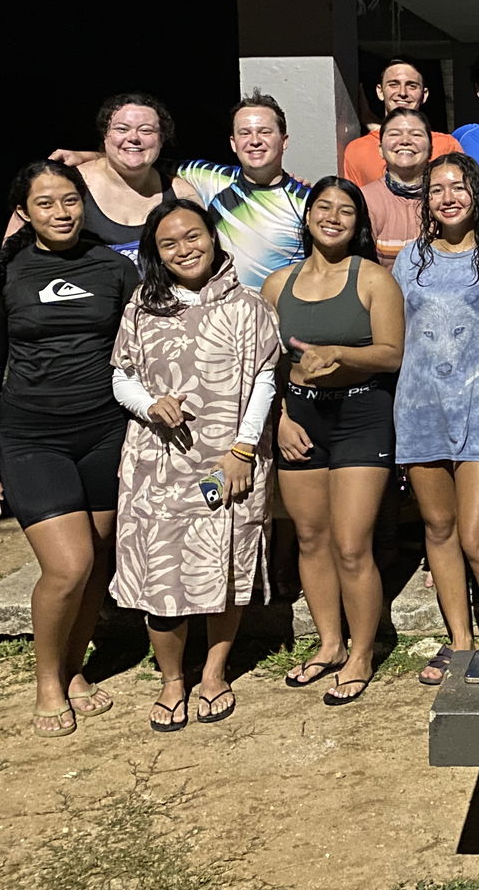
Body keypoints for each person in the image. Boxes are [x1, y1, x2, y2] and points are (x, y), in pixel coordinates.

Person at [0, 161, 140, 737]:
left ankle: (76, 670)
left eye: (70, 201)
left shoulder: (113, 267)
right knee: (69, 564)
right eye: (46, 203)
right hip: (32, 436)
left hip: (106, 433)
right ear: (24, 212)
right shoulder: (1, 276)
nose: (61, 213)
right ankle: (47, 682)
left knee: (96, 565)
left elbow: (146, 344)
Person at [109, 201, 280, 731]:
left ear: (213, 236)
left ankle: (213, 672)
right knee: (161, 572)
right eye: (169, 243)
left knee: (222, 565)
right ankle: (171, 681)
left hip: (227, 462)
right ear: (155, 253)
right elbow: (121, 375)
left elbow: (265, 382)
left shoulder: (249, 306)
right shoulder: (142, 307)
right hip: (157, 464)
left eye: (193, 236)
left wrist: (243, 450)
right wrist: (147, 404)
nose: (185, 249)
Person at [262, 177, 404, 705]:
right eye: (324, 207)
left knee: (350, 544)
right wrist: (278, 418)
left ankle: (362, 651)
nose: (334, 217)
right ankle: (328, 644)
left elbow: (392, 354)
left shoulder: (373, 280)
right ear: (307, 216)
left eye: (347, 210)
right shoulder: (277, 284)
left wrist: (341, 353)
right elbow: (263, 365)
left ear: (359, 223)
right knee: (311, 539)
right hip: (299, 419)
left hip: (362, 415)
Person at [395, 153, 479, 685]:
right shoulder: (410, 260)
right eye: (435, 190)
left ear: (476, 193)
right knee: (440, 528)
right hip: (420, 405)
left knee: (478, 535)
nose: (447, 197)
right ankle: (460, 642)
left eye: (458, 187)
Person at [50, 93, 308, 290]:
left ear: (284, 141)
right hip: (224, 315)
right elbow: (139, 159)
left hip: (275, 321)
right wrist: (86, 156)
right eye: (244, 133)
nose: (254, 141)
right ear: (232, 142)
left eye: (265, 132)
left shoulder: (305, 200)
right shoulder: (206, 177)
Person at [44, 94, 199, 263]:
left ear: (161, 139)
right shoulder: (67, 184)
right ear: (105, 135)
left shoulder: (181, 193)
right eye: (122, 129)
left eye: (146, 130)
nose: (133, 138)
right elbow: (15, 248)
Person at [342, 57, 461, 186]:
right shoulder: (357, 150)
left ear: (424, 94)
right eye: (393, 84)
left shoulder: (447, 145)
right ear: (380, 91)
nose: (402, 93)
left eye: (412, 86)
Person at [360, 107, 432, 268]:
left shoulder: (446, 199)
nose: (405, 140)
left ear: (431, 149)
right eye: (394, 134)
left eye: (416, 134)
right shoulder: (364, 200)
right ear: (380, 149)